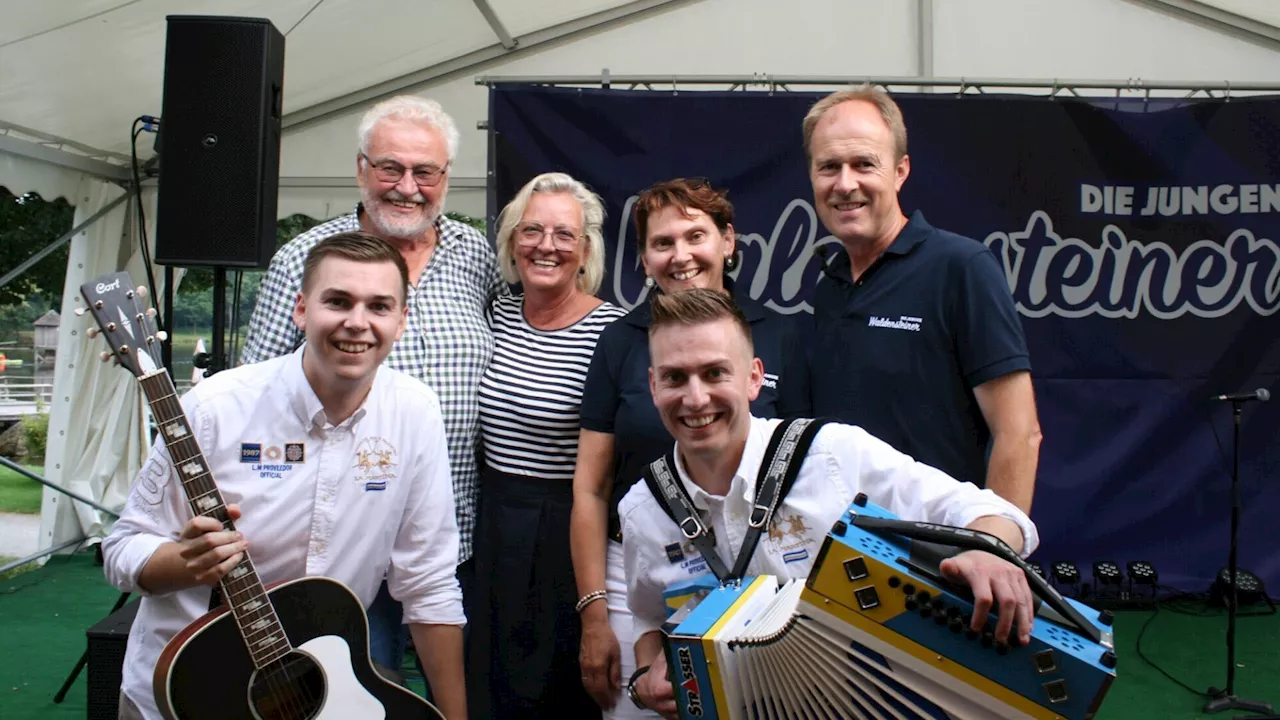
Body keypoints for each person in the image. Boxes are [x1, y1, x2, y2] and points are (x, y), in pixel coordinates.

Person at [619, 289, 1039, 717]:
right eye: (675, 377)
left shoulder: (832, 456)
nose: (695, 399)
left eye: (714, 373)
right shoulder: (642, 511)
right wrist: (646, 677)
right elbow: (649, 617)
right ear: (653, 385)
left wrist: (986, 550)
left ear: (754, 378)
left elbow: (993, 513)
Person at [103, 232, 467, 720]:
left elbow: (429, 584)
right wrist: (184, 562)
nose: (357, 323)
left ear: (401, 321)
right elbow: (123, 549)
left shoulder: (415, 413)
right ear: (300, 309)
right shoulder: (214, 408)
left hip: (324, 695)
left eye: (379, 306)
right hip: (184, 692)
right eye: (338, 301)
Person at [241, 95, 504, 668]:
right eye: (390, 167)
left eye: (424, 172)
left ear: (445, 179)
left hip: (458, 534)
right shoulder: (304, 258)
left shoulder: (475, 254)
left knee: (464, 691)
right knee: (362, 694)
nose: (406, 186)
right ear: (361, 168)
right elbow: (255, 398)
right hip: (344, 545)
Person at [571, 178, 810, 718]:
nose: (681, 256)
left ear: (728, 241)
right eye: (662, 243)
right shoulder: (618, 341)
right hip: (639, 572)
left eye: (695, 236)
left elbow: (805, 462)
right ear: (644, 258)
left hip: (758, 564)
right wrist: (595, 614)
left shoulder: (783, 335)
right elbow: (589, 487)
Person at [803, 85, 1042, 515]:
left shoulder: (962, 267)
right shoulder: (829, 287)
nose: (845, 183)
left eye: (863, 164)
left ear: (900, 171)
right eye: (828, 167)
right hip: (842, 551)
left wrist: (991, 549)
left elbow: (1019, 433)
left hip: (938, 553)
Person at [468, 172, 626, 718]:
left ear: (585, 251)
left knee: (558, 691)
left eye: (564, 234)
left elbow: (604, 474)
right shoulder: (494, 314)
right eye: (532, 230)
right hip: (492, 526)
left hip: (567, 530)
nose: (546, 245)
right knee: (490, 681)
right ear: (513, 241)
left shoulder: (614, 333)